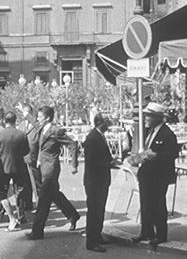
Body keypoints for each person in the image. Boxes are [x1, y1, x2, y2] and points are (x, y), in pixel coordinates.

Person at [26, 106, 80, 240]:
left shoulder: (56, 131)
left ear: (48, 118)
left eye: (40, 117)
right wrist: (26, 114)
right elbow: (34, 122)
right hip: (41, 165)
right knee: (54, 194)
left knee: (43, 200)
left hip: (51, 168)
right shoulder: (41, 127)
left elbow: (73, 144)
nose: (38, 119)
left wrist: (73, 165)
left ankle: (37, 232)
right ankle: (72, 214)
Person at [130, 102, 179, 251]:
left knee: (158, 204)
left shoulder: (167, 134)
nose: (146, 118)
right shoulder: (150, 132)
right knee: (145, 204)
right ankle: (146, 232)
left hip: (159, 176)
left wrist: (155, 155)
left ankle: (161, 235)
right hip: (147, 175)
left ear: (158, 117)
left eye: (149, 116)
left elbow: (172, 154)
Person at [82, 114, 119, 253]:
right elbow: (91, 161)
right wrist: (107, 164)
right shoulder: (92, 138)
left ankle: (97, 235)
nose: (108, 124)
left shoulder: (100, 136)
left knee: (100, 208)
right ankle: (91, 241)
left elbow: (103, 155)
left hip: (101, 179)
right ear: (99, 123)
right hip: (94, 180)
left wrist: (111, 160)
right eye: (106, 122)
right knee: (94, 210)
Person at [0, 112, 30, 223]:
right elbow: (27, 150)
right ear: (15, 121)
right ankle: (21, 215)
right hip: (18, 166)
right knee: (19, 192)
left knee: (2, 191)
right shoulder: (21, 134)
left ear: (4, 121)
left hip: (3, 166)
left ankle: (0, 214)